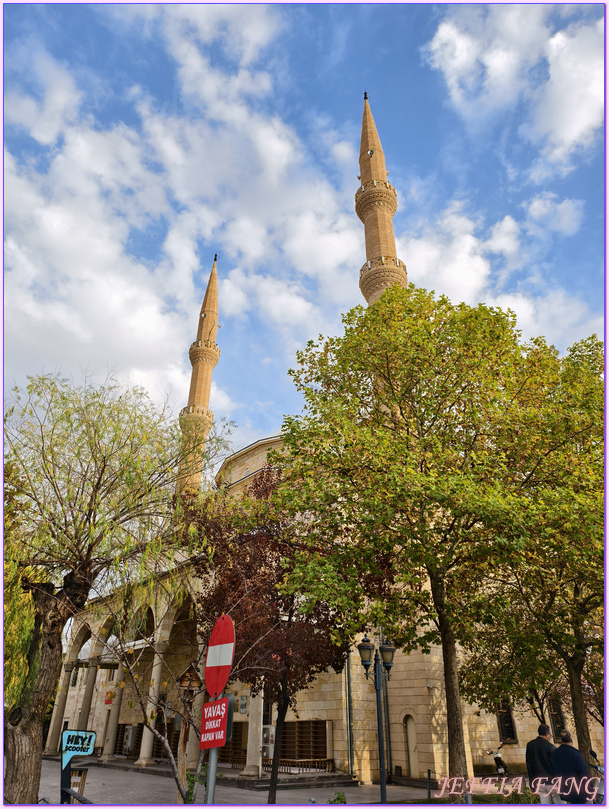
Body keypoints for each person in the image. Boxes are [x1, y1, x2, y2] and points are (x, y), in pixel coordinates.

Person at [550, 729, 590, 804]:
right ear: (571, 739)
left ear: (561, 740)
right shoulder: (575, 754)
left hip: (564, 788)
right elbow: (583, 772)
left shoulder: (555, 753)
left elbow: (553, 769)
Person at [526, 723, 559, 804]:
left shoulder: (530, 745)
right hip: (553, 782)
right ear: (547, 734)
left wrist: (532, 784)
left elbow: (529, 765)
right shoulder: (550, 746)